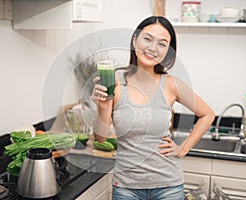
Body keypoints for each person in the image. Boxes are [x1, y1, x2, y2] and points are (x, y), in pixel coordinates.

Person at [91, 16, 215, 200]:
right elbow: (100, 138)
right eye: (147, 39)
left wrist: (183, 149)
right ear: (135, 40)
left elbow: (207, 114)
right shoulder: (116, 82)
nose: (152, 48)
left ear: (168, 52)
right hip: (127, 188)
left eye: (162, 44)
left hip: (169, 186)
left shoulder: (172, 84)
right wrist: (102, 107)